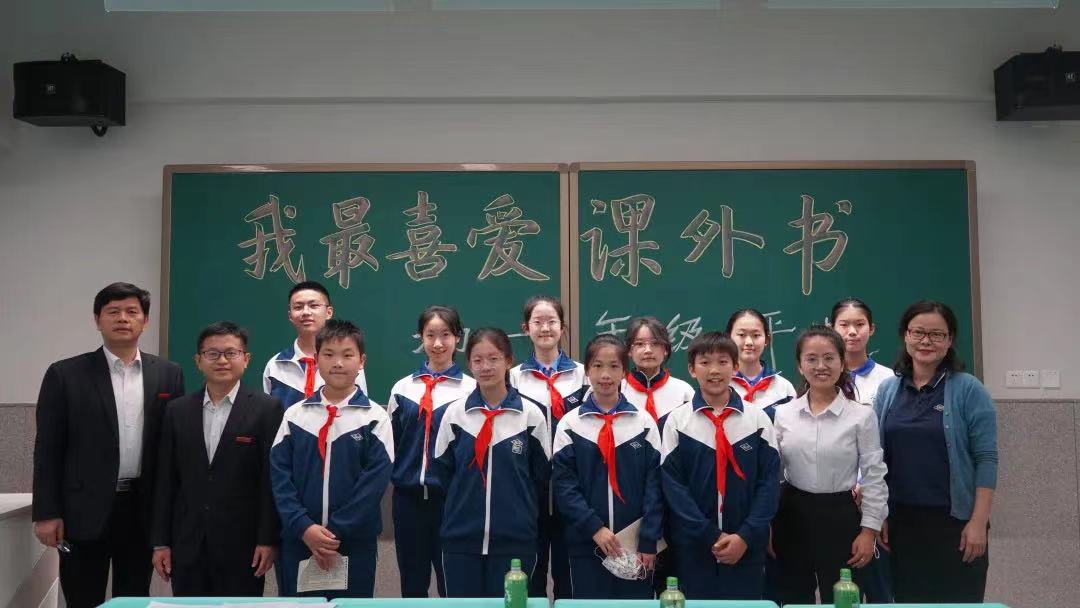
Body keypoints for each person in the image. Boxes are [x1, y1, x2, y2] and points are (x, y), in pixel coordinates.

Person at [32, 282, 185, 608]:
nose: (122, 318)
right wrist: (46, 512)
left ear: (145, 321)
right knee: (81, 597)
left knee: (134, 598)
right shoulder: (65, 374)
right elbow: (47, 449)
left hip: (141, 509)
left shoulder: (169, 374)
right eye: (113, 311)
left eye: (132, 311)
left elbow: (173, 450)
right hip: (81, 511)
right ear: (97, 319)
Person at [874, 300, 997, 603]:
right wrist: (879, 515)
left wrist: (978, 522)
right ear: (906, 335)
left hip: (955, 524)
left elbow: (986, 458)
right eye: (918, 332)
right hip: (901, 524)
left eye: (936, 334)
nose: (926, 341)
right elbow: (876, 458)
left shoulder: (969, 389)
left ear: (950, 340)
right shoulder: (888, 390)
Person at [151, 322, 283, 595]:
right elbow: (166, 481)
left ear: (246, 359)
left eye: (231, 353)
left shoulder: (267, 409)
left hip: (244, 545)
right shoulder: (177, 411)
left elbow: (269, 481)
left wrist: (267, 539)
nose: (222, 360)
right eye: (212, 354)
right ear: (198, 361)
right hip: (187, 543)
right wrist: (161, 542)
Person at [270, 319, 392, 598]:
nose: (338, 363)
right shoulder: (295, 416)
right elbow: (279, 477)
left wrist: (335, 532)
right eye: (329, 354)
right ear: (316, 359)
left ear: (361, 361)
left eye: (347, 355)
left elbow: (373, 485)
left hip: (353, 543)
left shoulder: (375, 418)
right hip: (300, 539)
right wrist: (304, 527)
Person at [772, 325, 887, 605]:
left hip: (841, 517)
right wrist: (767, 525)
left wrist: (869, 530)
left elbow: (874, 476)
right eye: (811, 359)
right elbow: (772, 475)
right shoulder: (784, 414)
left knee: (842, 598)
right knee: (793, 599)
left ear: (842, 362)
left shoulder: (861, 416)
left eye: (829, 358)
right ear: (799, 366)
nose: (820, 366)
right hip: (792, 515)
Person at [432, 327, 552, 598]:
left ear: (509, 361)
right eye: (477, 360)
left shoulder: (530, 415)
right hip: (461, 540)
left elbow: (541, 476)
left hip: (516, 541)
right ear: (469, 364)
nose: (485, 367)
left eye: (494, 358)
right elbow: (442, 474)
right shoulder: (455, 414)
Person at [661, 331, 780, 600]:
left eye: (723, 362)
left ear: (736, 367)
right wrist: (709, 535)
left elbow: (769, 485)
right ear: (692, 369)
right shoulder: (677, 422)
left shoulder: (758, 420)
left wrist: (745, 536)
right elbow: (674, 488)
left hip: (746, 547)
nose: (714, 370)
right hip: (694, 546)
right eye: (705, 362)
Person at [553, 334, 662, 598]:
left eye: (614, 366)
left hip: (635, 546)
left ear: (624, 371)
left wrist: (649, 538)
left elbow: (655, 485)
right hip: (586, 544)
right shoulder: (570, 424)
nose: (605, 374)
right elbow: (565, 486)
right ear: (587, 370)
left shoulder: (643, 422)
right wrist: (594, 528)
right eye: (598, 365)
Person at [386, 306, 476, 597]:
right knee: (412, 585)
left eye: (446, 335)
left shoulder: (471, 390)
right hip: (407, 502)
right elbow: (392, 446)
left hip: (452, 502)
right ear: (420, 338)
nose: (438, 343)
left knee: (453, 585)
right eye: (430, 335)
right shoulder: (402, 389)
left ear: (458, 338)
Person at [508, 295, 586, 598]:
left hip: (573, 491)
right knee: (531, 576)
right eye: (537, 322)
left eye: (552, 321)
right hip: (529, 493)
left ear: (562, 327)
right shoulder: (513, 377)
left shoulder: (583, 374)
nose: (545, 328)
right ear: (525, 328)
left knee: (570, 579)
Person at [263, 281, 367, 409]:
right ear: (290, 315)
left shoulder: (348, 364)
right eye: (298, 307)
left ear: (329, 312)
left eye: (314, 305)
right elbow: (269, 415)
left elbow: (360, 410)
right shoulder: (275, 366)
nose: (306, 312)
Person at [622, 316, 695, 431]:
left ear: (665, 349)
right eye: (640, 344)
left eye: (655, 343)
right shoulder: (617, 391)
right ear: (629, 351)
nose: (648, 350)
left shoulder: (684, 392)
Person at [726, 309, 797, 420]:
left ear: (767, 339)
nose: (749, 342)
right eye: (741, 335)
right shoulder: (720, 385)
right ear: (729, 338)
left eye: (756, 335)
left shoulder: (784, 388)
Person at [830, 298, 894, 408]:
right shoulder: (823, 375)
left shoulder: (889, 378)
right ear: (832, 329)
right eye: (844, 325)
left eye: (859, 324)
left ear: (871, 329)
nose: (852, 332)